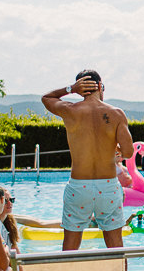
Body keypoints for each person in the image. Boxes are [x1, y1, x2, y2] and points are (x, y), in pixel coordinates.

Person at [43, 70, 134, 250]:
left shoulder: (70, 110)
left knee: (70, 248)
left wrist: (70, 89)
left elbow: (46, 98)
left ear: (80, 89)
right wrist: (112, 145)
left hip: (79, 187)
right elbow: (129, 152)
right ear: (100, 86)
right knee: (116, 249)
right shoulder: (116, 113)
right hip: (108, 186)